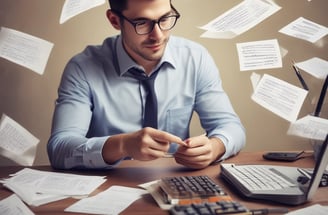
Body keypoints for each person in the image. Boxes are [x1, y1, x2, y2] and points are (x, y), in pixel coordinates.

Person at [47, 0, 246, 170]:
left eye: (165, 18)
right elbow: (59, 149)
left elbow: (231, 127)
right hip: (108, 189)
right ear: (115, 20)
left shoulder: (195, 58)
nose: (158, 35)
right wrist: (122, 145)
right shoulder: (82, 68)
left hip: (175, 184)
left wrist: (215, 147)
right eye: (142, 23)